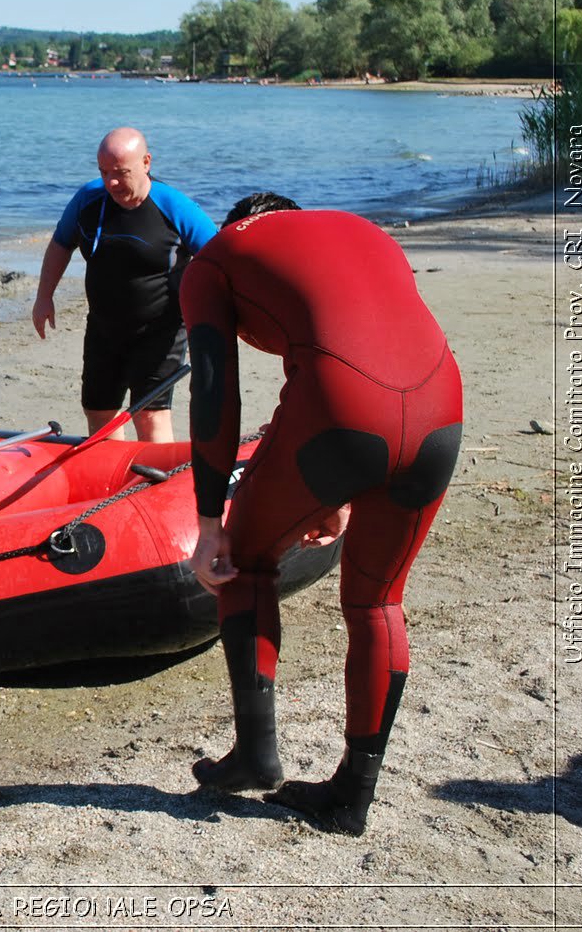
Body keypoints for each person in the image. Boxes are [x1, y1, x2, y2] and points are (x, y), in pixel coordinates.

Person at [181, 192, 464, 836]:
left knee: (244, 562)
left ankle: (255, 757)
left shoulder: (215, 259)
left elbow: (214, 391)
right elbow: (362, 341)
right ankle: (351, 796)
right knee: (377, 602)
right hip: (439, 404)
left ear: (238, 224)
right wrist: (336, 493)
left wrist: (207, 523)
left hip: (342, 411)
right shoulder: (359, 230)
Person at [31, 127, 216, 442]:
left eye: (120, 173)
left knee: (150, 415)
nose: (111, 182)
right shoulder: (88, 200)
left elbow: (219, 254)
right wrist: (43, 297)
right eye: (104, 172)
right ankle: (112, 484)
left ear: (146, 162)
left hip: (161, 331)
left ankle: (156, 485)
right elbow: (61, 244)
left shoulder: (173, 205)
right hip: (103, 327)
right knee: (99, 413)